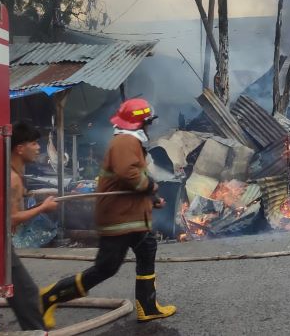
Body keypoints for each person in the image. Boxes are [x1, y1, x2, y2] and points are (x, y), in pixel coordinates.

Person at [39, 99, 176, 328]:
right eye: (147, 123)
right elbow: (128, 174)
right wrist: (150, 187)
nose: (149, 127)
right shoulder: (125, 141)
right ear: (140, 123)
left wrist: (152, 199)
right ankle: (51, 296)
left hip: (131, 219)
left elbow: (129, 180)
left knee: (147, 250)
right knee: (106, 268)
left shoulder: (129, 141)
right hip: (120, 220)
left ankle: (148, 306)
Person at [9, 121, 59, 331]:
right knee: (28, 295)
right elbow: (11, 219)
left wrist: (41, 205)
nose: (39, 147)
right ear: (20, 148)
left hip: (0, 246)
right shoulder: (12, 179)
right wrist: (42, 209)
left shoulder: (15, 174)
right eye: (34, 143)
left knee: (23, 294)